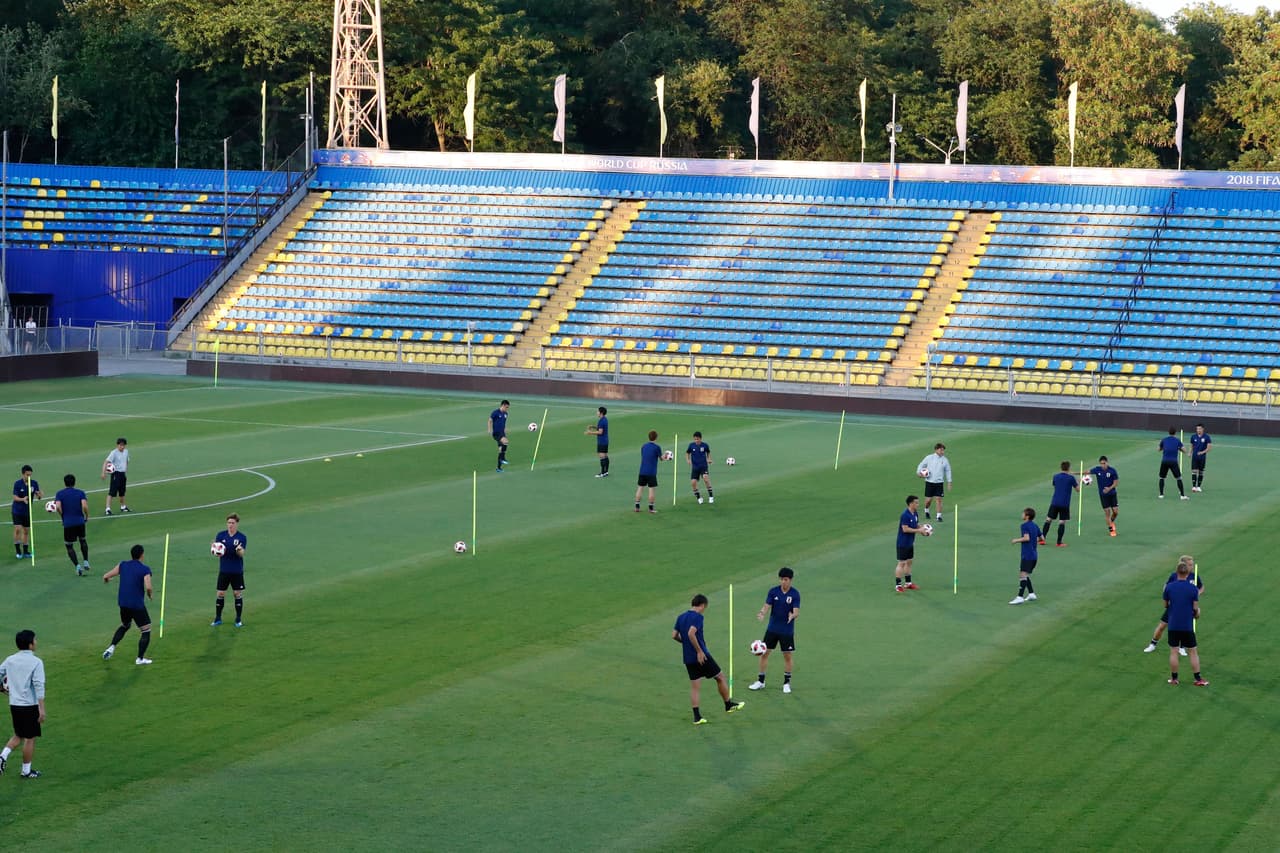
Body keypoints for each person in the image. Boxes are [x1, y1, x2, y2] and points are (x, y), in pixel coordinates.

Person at [672, 594, 744, 725]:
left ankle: (697, 717)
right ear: (702, 605)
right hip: (702, 656)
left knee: (695, 687)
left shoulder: (680, 617)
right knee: (720, 677)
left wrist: (686, 644)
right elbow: (691, 633)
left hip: (688, 658)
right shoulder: (698, 617)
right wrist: (699, 651)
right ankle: (728, 705)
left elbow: (674, 635)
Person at [0, 629, 46, 779]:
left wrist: (2, 688)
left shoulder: (10, 660)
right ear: (30, 644)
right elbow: (39, 685)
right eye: (35, 640)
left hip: (14, 704)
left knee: (19, 734)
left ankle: (3, 756)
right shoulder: (36, 662)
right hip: (29, 706)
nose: (36, 642)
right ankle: (26, 771)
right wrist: (42, 708)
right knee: (30, 738)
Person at [101, 544, 155, 665]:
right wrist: (150, 594)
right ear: (142, 555)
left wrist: (107, 580)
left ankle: (111, 647)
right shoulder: (144, 569)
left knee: (125, 625)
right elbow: (148, 586)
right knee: (146, 630)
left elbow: (106, 576)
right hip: (136, 605)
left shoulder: (123, 565)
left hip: (123, 603)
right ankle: (140, 659)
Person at [749, 567, 800, 693]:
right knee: (764, 654)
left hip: (786, 631)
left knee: (787, 656)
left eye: (786, 579)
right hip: (772, 629)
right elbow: (767, 605)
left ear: (791, 580)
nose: (783, 582)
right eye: (782, 579)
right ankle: (761, 681)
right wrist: (762, 613)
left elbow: (796, 612)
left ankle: (786, 683)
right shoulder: (773, 591)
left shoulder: (795, 594)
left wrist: (792, 616)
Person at [1144, 555, 1202, 656]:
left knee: (1185, 628)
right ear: (1183, 565)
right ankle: (1153, 644)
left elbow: (1201, 587)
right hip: (1174, 607)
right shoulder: (1175, 576)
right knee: (1162, 625)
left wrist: (1197, 593)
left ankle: (1182, 647)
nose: (1192, 567)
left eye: (1192, 564)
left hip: (1187, 608)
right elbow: (1166, 587)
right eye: (1190, 565)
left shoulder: (1194, 576)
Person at [1163, 562, 1208, 686]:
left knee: (1173, 651)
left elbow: (1165, 605)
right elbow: (1195, 609)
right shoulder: (1193, 588)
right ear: (1187, 573)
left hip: (1173, 625)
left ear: (1177, 572)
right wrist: (1197, 613)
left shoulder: (1169, 587)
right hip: (1187, 626)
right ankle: (1198, 679)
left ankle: (1174, 679)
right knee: (1193, 651)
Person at [211, 513, 248, 627]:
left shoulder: (242, 537)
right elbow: (217, 552)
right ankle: (218, 618)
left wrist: (239, 550)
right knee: (220, 593)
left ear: (237, 524)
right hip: (224, 570)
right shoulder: (221, 535)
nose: (230, 525)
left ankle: (238, 619)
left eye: (232, 523)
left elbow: (242, 554)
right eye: (229, 523)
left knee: (237, 593)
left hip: (237, 571)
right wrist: (214, 548)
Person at [54, 474, 90, 576]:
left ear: (64, 483)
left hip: (68, 523)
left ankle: (77, 566)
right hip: (80, 521)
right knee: (82, 540)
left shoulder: (60, 494)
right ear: (74, 482)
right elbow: (84, 506)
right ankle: (86, 561)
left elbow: (57, 507)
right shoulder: (80, 493)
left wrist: (63, 516)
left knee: (69, 545)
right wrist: (86, 516)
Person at [895, 494, 930, 592]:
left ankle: (908, 583)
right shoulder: (905, 515)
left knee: (909, 562)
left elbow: (915, 525)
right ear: (911, 504)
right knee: (901, 563)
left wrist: (923, 528)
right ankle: (898, 585)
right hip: (902, 543)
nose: (918, 504)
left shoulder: (915, 513)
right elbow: (905, 529)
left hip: (910, 543)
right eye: (916, 503)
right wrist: (919, 531)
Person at [1040, 461, 1078, 548]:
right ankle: (1059, 542)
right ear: (1068, 468)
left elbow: (1054, 486)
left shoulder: (1055, 476)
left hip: (1055, 501)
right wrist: (1080, 482)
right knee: (1062, 522)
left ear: (1061, 468)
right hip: (1064, 503)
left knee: (1048, 519)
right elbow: (1078, 489)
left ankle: (1042, 539)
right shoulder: (1071, 478)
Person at [1009, 507, 1041, 604]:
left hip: (1027, 555)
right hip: (1034, 555)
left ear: (1027, 516)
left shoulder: (1024, 526)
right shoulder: (1035, 526)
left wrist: (1016, 540)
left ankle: (1020, 597)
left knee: (1022, 574)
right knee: (1025, 574)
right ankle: (1031, 594)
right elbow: (1041, 538)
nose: (1022, 515)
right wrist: (1033, 542)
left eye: (1023, 513)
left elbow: (1026, 538)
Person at [11, 465, 42, 559]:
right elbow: (15, 497)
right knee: (17, 530)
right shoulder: (17, 484)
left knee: (26, 531)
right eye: (27, 475)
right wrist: (22, 499)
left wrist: (40, 495)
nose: (29, 477)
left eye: (30, 475)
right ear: (23, 474)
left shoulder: (34, 483)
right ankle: (18, 551)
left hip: (27, 512)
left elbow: (38, 496)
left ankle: (26, 551)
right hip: (17, 511)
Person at [916, 443, 952, 521]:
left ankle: (939, 516)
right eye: (941, 450)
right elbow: (921, 464)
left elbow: (948, 471)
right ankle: (926, 510)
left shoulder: (945, 460)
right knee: (928, 500)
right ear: (936, 450)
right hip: (929, 482)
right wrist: (919, 473)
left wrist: (949, 482)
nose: (942, 452)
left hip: (939, 483)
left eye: (943, 450)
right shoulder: (929, 458)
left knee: (939, 499)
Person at [1088, 456, 1120, 537]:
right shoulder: (1097, 469)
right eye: (1101, 464)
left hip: (1112, 494)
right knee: (1107, 513)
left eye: (1104, 463)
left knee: (1115, 512)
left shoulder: (1112, 471)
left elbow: (1116, 483)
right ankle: (1111, 530)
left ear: (1107, 462)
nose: (1103, 465)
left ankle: (1111, 522)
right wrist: (1075, 473)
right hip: (1103, 496)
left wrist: (1109, 488)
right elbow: (1087, 472)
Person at [634, 430, 662, 514]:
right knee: (651, 490)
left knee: (640, 488)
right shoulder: (657, 447)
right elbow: (661, 458)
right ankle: (651, 508)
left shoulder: (643, 446)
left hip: (642, 471)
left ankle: (637, 507)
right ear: (656, 438)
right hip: (651, 472)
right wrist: (666, 456)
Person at [101, 437, 131, 514]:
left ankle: (123, 507)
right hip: (116, 474)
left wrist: (125, 469)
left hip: (122, 474)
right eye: (121, 445)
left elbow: (127, 461)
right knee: (112, 492)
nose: (122, 447)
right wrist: (103, 473)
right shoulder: (113, 453)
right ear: (117, 445)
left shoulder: (126, 452)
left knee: (122, 492)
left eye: (124, 445)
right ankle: (107, 509)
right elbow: (106, 462)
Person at [1156, 427, 1188, 500]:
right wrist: (1179, 449)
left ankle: (1161, 494)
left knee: (1162, 477)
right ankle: (1182, 495)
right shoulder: (1177, 440)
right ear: (1175, 433)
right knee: (1179, 478)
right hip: (1173, 462)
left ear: (1168, 432)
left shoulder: (1164, 440)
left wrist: (1163, 448)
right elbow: (1184, 450)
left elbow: (1158, 449)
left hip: (1165, 461)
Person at [686, 431, 714, 505]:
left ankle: (711, 496)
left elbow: (708, 452)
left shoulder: (705, 445)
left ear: (701, 439)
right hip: (695, 468)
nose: (696, 441)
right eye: (695, 439)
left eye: (697, 439)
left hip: (703, 466)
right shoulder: (691, 445)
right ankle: (699, 497)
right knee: (693, 483)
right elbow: (687, 453)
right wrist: (688, 460)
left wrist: (709, 459)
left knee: (706, 479)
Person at [585, 406, 610, 478]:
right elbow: (601, 428)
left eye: (598, 411)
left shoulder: (602, 421)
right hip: (605, 441)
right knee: (605, 456)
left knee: (602, 456)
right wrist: (593, 427)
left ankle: (602, 473)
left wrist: (590, 433)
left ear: (601, 413)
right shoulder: (604, 419)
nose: (597, 412)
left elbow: (600, 432)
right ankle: (606, 472)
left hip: (602, 441)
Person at [488, 400, 510, 473]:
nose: (507, 409)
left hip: (502, 433)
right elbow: (490, 420)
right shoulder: (495, 412)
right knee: (506, 442)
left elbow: (504, 423)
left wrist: (505, 429)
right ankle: (503, 458)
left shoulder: (506, 414)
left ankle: (498, 468)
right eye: (506, 407)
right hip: (496, 433)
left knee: (501, 450)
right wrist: (489, 430)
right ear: (503, 405)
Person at [1189, 424, 1212, 492]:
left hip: (1202, 458)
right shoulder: (1193, 437)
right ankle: (1193, 487)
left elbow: (1209, 448)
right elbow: (1191, 446)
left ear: (1202, 429)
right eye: (1197, 429)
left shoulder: (1207, 437)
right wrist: (1190, 452)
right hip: (1195, 457)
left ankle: (1198, 486)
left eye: (1199, 429)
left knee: (1201, 472)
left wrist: (1202, 452)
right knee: (1194, 471)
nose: (1198, 430)